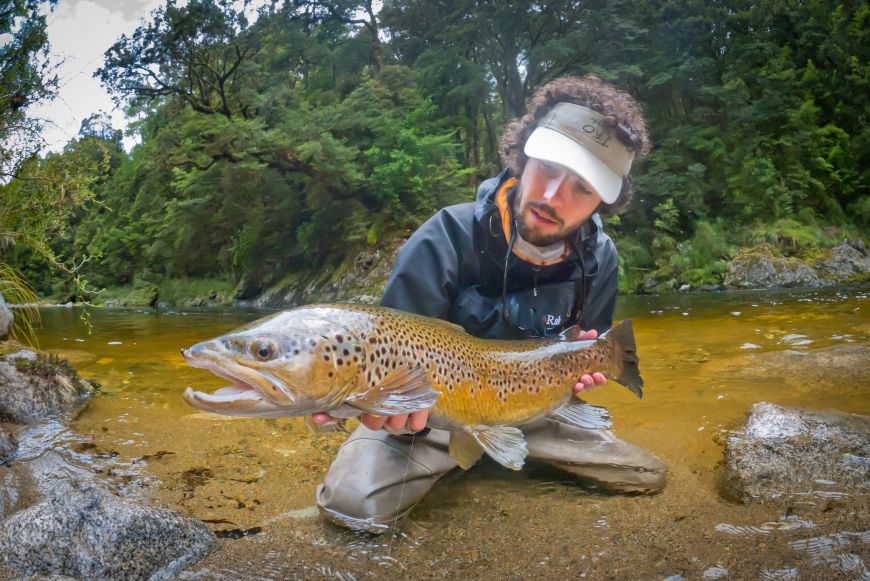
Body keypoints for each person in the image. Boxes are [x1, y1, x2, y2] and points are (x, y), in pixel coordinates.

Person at [313, 74, 667, 533]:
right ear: (523, 155)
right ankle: (466, 458)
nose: (553, 195)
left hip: (536, 411)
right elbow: (381, 364)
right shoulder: (444, 238)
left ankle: (490, 456)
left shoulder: (600, 260)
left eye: (582, 188)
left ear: (603, 203)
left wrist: (586, 373)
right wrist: (351, 399)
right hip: (427, 421)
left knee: (646, 476)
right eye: (548, 167)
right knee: (349, 506)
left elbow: (583, 351)